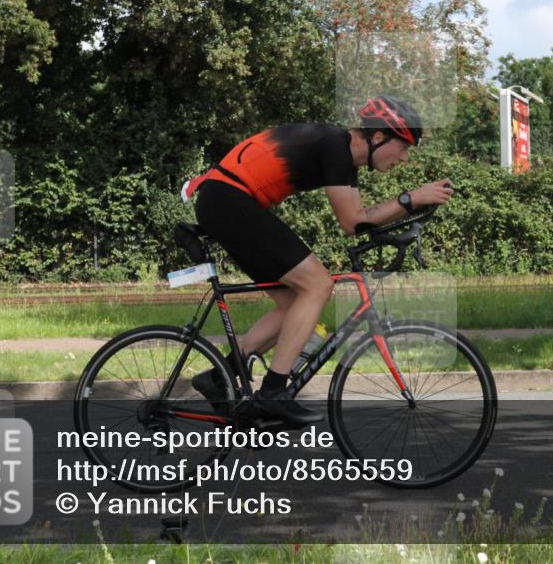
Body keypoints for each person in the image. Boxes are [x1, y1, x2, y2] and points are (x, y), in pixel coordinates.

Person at [181, 96, 453, 426]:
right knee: (318, 285)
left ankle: (219, 375)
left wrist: (404, 213)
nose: (405, 158)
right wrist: (412, 198)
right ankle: (273, 393)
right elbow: (353, 221)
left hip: (226, 200)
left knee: (295, 301)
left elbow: (361, 221)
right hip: (228, 199)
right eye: (405, 146)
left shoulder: (342, 156)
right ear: (379, 136)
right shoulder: (334, 146)